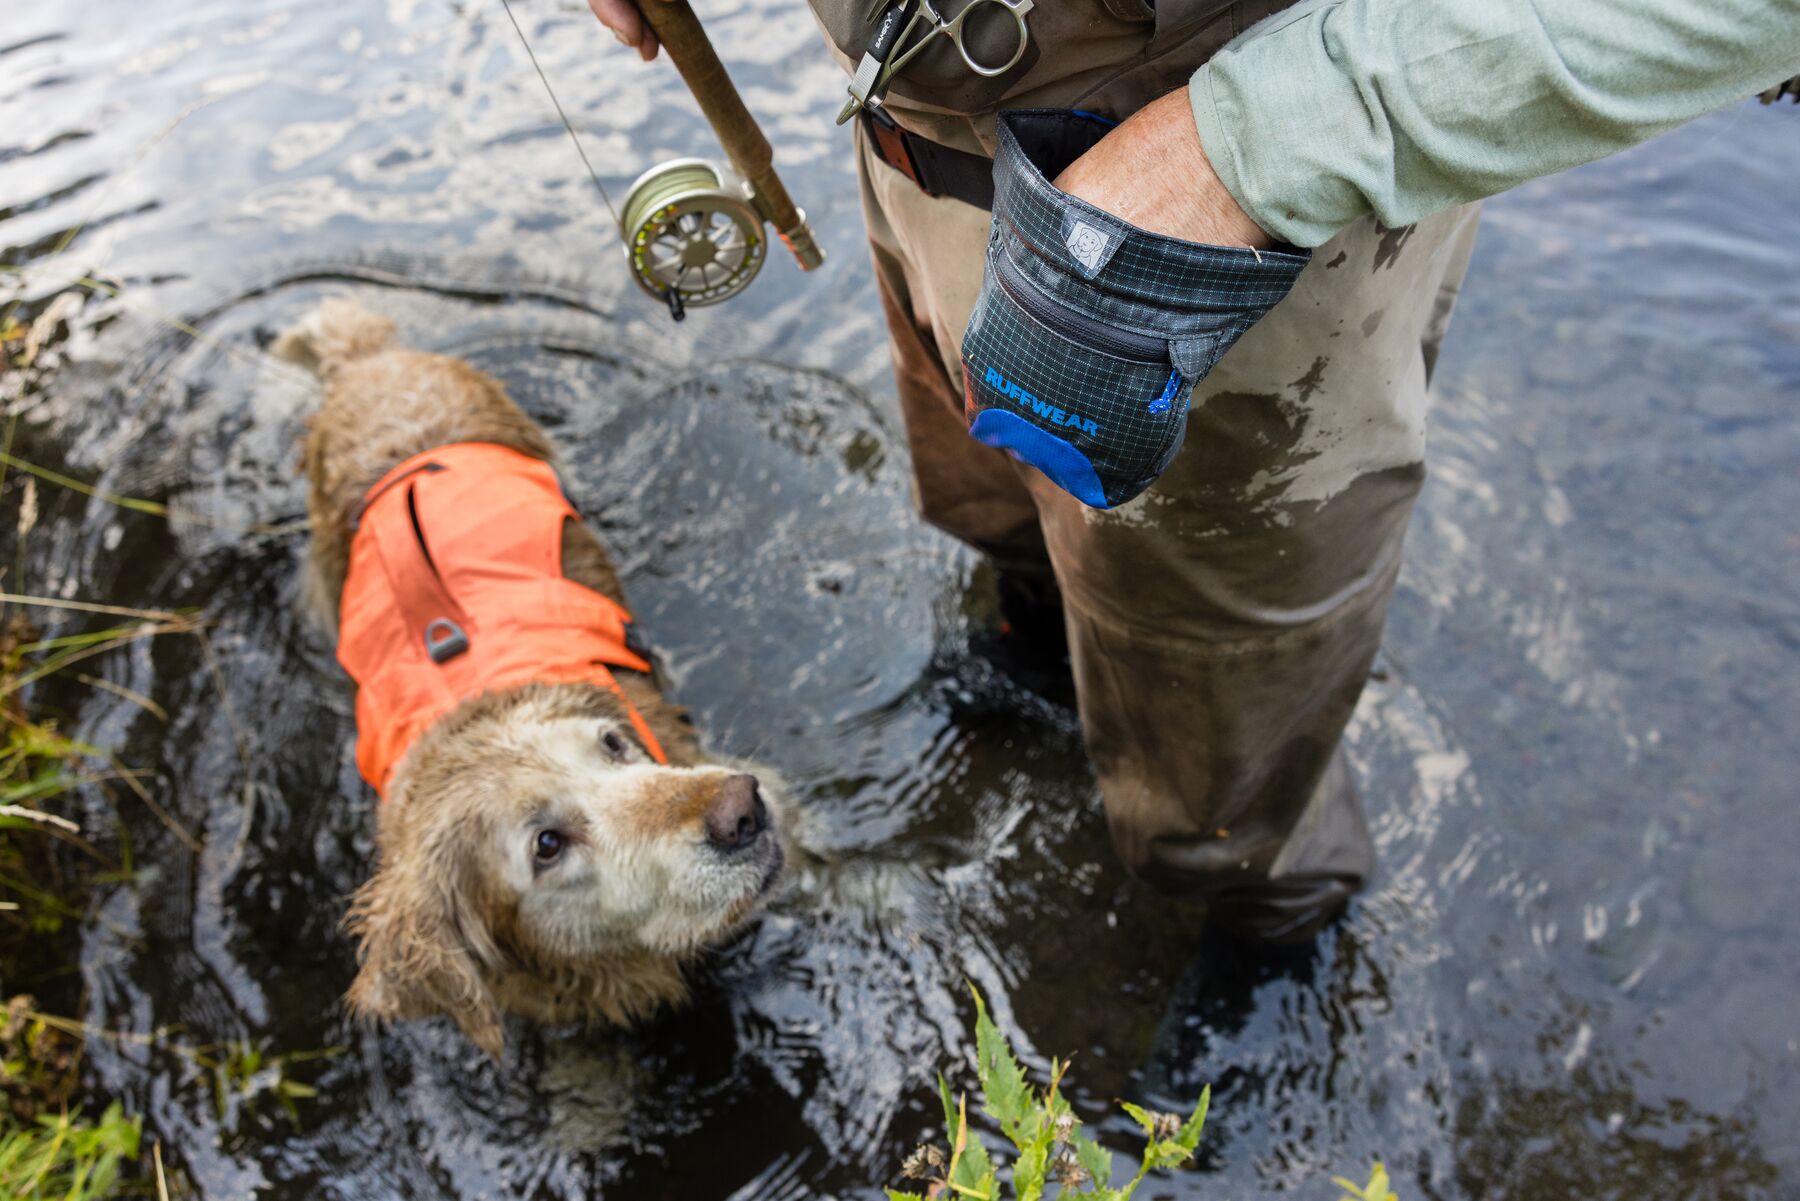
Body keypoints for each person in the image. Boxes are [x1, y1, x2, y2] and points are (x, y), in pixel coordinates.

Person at [588, 0, 1800, 942]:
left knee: (1224, 802)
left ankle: (1255, 946)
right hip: (923, 144)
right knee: (999, 528)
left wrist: (1259, 143)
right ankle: (1035, 660)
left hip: (1231, 247)